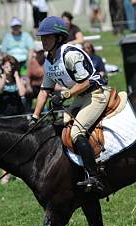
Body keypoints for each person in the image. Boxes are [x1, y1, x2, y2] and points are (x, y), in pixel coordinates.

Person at [30, 16, 110, 192]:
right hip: (79, 97)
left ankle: (94, 176)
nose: (43, 41)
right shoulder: (49, 61)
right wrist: (34, 116)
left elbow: (87, 82)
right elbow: (44, 90)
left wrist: (65, 94)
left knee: (76, 132)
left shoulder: (70, 54)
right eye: (42, 37)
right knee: (63, 130)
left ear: (58, 38)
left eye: (47, 37)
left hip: (96, 94)